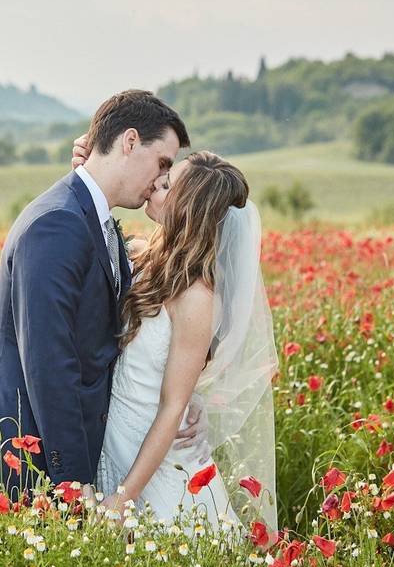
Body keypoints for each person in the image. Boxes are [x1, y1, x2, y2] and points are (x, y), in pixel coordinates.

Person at [0, 90, 210, 499]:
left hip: (64, 450)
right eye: (162, 162)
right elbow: (49, 364)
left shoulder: (94, 217)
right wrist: (75, 482)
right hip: (22, 456)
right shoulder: (57, 224)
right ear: (129, 142)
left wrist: (185, 397)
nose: (162, 179)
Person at [72, 145, 280, 539]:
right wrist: (87, 163)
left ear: (188, 208)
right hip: (118, 434)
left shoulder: (197, 298)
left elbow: (171, 407)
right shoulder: (140, 255)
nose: (154, 184)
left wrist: (123, 498)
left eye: (166, 184)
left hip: (156, 459)